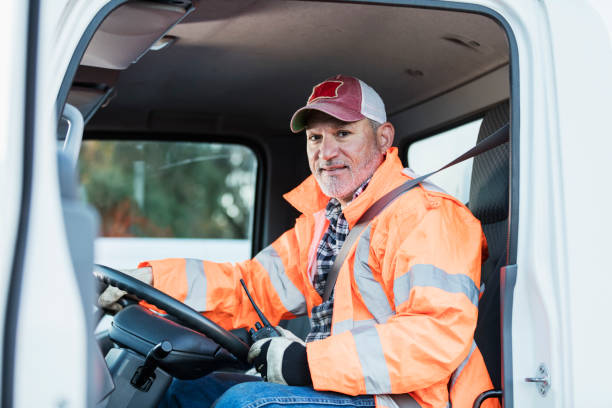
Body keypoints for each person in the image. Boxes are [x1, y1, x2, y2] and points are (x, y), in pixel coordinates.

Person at [99, 75, 498, 408]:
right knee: (186, 388)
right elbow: (250, 287)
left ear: (383, 138)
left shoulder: (428, 215)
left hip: (403, 399)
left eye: (343, 133)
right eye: (315, 138)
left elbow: (433, 335)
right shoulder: (327, 222)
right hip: (345, 388)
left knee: (246, 404)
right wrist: (152, 283)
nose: (326, 152)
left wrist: (306, 363)